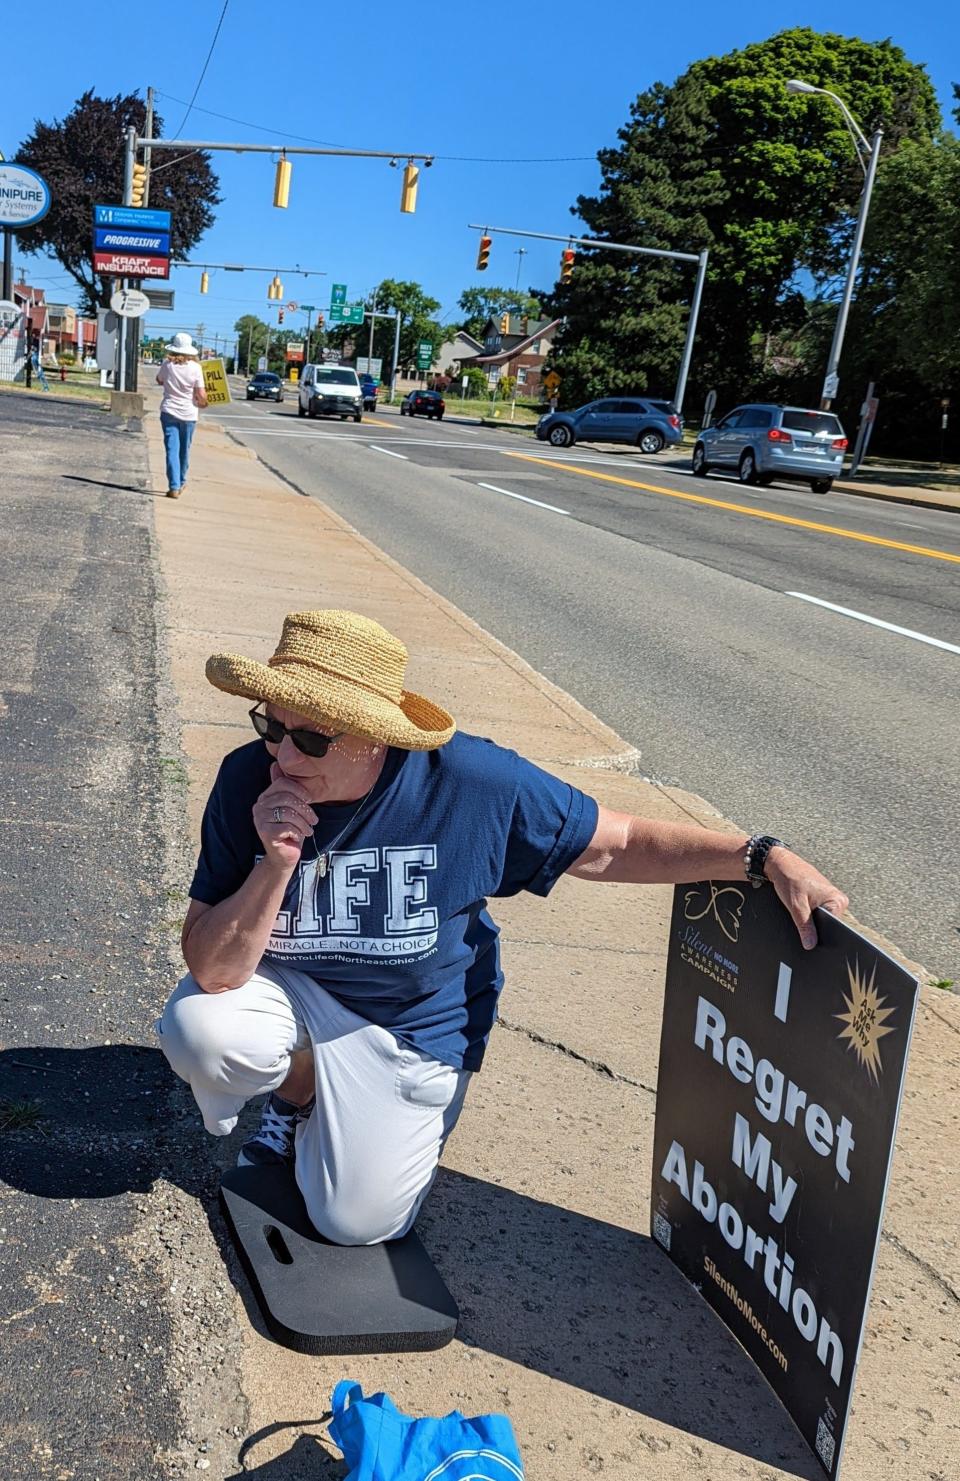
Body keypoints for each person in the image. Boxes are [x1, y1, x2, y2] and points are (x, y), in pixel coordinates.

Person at [155, 610, 848, 1247]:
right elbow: (212, 967)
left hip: (410, 1024)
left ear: (374, 740)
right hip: (296, 994)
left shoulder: (471, 782)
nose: (282, 755)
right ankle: (297, 1092)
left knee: (352, 1222)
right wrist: (275, 864)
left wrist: (757, 856)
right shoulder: (248, 780)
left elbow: (617, 841)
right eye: (270, 725)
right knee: (201, 1028)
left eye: (309, 737)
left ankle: (371, 1112)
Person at [156, 332, 208, 498]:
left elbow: (159, 380)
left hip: (169, 411)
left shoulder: (167, 365)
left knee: (172, 450)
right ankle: (182, 481)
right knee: (184, 451)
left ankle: (174, 486)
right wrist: (204, 403)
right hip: (189, 414)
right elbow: (200, 393)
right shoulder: (196, 368)